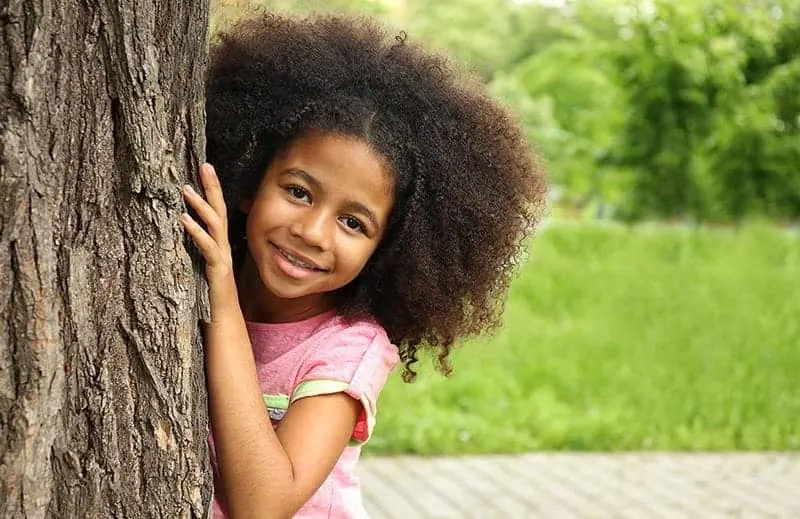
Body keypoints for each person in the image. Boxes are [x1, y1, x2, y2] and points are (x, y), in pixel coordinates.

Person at [180, 12, 546, 519]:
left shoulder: (347, 351)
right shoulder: (192, 280)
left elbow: (262, 505)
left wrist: (221, 301)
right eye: (298, 191)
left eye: (353, 223)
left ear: (387, 248)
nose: (312, 232)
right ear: (249, 182)